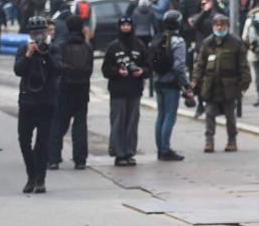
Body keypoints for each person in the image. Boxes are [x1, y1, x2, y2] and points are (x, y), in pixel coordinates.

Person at [192, 13, 250, 153]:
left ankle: (232, 141)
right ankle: (209, 141)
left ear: (227, 26)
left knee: (230, 116)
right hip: (211, 85)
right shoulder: (207, 43)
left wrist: (244, 83)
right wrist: (195, 80)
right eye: (217, 25)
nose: (219, 27)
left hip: (229, 85)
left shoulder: (235, 43)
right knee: (210, 114)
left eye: (222, 25)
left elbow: (243, 65)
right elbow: (200, 64)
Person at [14, 16, 57, 193]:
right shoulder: (24, 48)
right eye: (34, 33)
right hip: (27, 102)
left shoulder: (53, 48)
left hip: (46, 102)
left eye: (41, 32)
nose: (38, 36)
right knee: (24, 140)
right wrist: (28, 55)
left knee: (42, 143)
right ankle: (31, 175)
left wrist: (45, 54)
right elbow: (18, 70)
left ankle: (40, 179)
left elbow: (58, 70)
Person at [102, 16, 150, 166]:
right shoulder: (113, 46)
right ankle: (118, 152)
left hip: (134, 90)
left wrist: (142, 71)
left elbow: (149, 66)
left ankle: (129, 152)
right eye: (123, 25)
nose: (126, 28)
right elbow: (105, 69)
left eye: (128, 25)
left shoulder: (139, 45)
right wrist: (117, 72)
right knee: (118, 122)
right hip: (118, 90)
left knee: (132, 123)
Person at [49, 14, 93, 170]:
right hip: (82, 89)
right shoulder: (87, 47)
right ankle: (80, 159)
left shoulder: (61, 45)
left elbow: (57, 67)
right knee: (80, 126)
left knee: (58, 125)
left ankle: (54, 158)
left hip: (64, 89)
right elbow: (89, 69)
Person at [151, 10, 189, 161]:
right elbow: (179, 66)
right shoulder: (178, 41)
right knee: (169, 116)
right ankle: (165, 149)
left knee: (160, 115)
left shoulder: (158, 38)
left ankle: (160, 148)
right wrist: (185, 84)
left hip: (157, 80)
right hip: (171, 82)